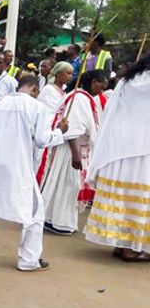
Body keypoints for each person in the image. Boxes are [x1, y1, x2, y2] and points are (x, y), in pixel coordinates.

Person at [0, 76, 68, 271]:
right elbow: (42, 139)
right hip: (17, 164)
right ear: (35, 90)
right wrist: (60, 132)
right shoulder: (37, 107)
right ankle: (29, 259)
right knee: (35, 214)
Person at [83, 56, 150, 261]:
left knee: (121, 192)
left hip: (120, 144)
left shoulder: (127, 80)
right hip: (143, 145)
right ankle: (133, 248)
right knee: (141, 195)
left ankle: (121, 245)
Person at [39, 70, 109, 236]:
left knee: (63, 185)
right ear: (93, 81)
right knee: (69, 185)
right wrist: (76, 155)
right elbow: (72, 128)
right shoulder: (79, 98)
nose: (102, 90)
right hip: (71, 150)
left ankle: (52, 218)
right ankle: (60, 222)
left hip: (78, 148)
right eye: (101, 85)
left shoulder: (84, 97)